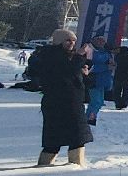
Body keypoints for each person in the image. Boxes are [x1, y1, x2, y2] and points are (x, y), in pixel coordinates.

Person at [27, 29, 91, 167]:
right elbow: (63, 73)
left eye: (73, 41)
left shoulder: (70, 57)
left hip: (73, 102)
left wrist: (85, 74)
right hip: (57, 103)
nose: (71, 44)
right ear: (59, 41)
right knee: (54, 140)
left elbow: (74, 77)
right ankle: (45, 166)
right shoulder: (51, 55)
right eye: (68, 40)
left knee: (77, 137)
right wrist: (79, 58)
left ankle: (76, 165)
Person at [83, 35, 114, 126]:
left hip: (103, 81)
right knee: (95, 102)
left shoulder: (106, 51)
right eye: (98, 40)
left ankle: (90, 119)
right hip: (94, 81)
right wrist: (106, 67)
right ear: (93, 40)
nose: (101, 42)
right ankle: (88, 120)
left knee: (99, 102)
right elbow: (89, 67)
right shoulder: (89, 50)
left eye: (103, 40)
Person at [110, 43, 128, 109]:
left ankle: (118, 104)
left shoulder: (117, 56)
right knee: (126, 91)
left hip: (118, 75)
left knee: (117, 91)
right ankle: (124, 104)